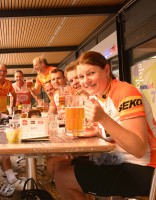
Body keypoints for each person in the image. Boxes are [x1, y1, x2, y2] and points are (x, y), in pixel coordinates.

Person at [52, 51, 155, 199]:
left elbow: (138, 148)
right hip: (119, 160)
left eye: (91, 73)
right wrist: (98, 132)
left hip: (145, 169)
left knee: (63, 177)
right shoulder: (99, 96)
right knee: (60, 166)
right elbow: (117, 129)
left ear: (106, 70)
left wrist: (103, 119)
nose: (85, 81)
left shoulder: (125, 92)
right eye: (81, 77)